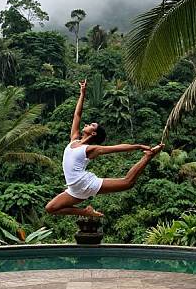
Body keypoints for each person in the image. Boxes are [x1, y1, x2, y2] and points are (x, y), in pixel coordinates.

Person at [45, 79, 163, 217]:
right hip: (74, 189)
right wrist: (82, 93)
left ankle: (148, 156)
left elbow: (116, 148)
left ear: (93, 133)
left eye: (92, 125)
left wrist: (139, 146)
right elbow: (77, 115)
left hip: (85, 183)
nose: (88, 124)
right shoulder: (74, 139)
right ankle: (86, 212)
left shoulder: (90, 149)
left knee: (127, 183)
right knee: (50, 208)